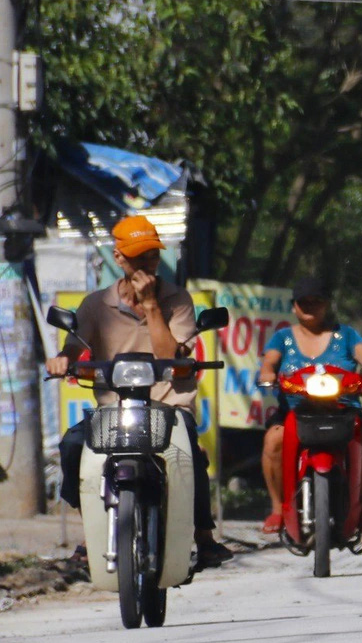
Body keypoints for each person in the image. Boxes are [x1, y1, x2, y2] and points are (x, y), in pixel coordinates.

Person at [48, 215, 234, 570]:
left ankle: (204, 538)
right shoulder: (94, 305)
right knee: (73, 446)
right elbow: (73, 347)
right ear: (119, 258)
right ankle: (91, 530)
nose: (146, 265)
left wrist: (150, 305)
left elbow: (168, 355)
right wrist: (60, 360)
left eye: (151, 256)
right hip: (115, 408)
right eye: (137, 257)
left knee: (189, 456)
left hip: (169, 406)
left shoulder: (177, 300)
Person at [256, 277, 362, 536]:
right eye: (305, 302)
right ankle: (278, 509)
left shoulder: (346, 335)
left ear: (327, 305)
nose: (311, 307)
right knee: (272, 441)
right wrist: (268, 376)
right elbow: (268, 365)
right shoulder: (282, 338)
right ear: (294, 306)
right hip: (295, 410)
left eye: (317, 302)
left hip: (342, 409)